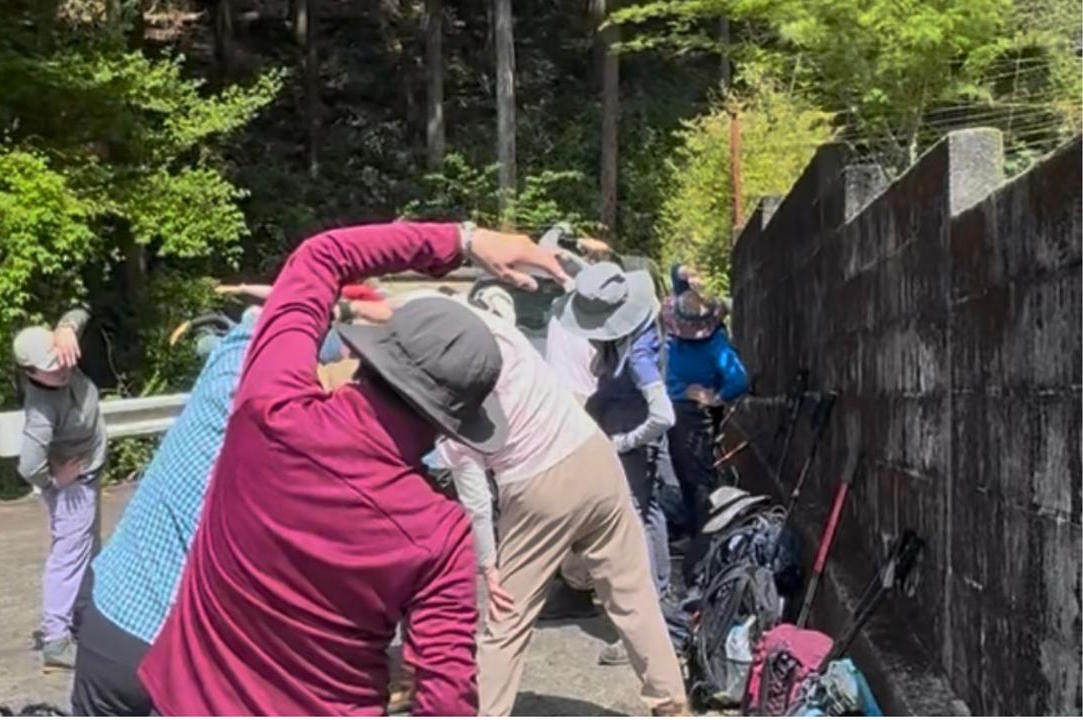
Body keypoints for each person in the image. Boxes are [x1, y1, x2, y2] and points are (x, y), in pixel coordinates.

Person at [136, 222, 567, 716]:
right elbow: (447, 699)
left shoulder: (269, 411)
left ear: (371, 357)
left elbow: (320, 256)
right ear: (452, 422)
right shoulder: (440, 534)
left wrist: (463, 240)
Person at [70, 299, 368, 715]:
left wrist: (328, 309)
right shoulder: (325, 465)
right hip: (194, 664)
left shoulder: (229, 377)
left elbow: (258, 324)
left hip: (116, 616)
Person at [434, 288, 689, 716]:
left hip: (535, 484)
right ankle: (672, 706)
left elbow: (476, 499)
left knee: (507, 615)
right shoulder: (507, 338)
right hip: (593, 453)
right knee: (634, 595)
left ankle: (484, 711)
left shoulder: (445, 395)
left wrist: (488, 565)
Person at [552, 261, 680, 665]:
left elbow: (663, 415)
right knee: (647, 517)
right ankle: (656, 610)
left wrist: (625, 441)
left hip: (632, 439)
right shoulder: (631, 334)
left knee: (636, 523)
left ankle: (647, 625)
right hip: (622, 431)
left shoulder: (640, 355)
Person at [12, 307, 105, 671]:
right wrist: (53, 481)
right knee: (68, 558)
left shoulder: (62, 357)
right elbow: (28, 464)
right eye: (51, 368)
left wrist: (66, 328)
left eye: (60, 360)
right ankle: (55, 638)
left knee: (86, 553)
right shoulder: (42, 408)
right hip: (72, 487)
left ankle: (82, 621)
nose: (62, 369)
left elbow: (81, 312)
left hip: (85, 478)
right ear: (31, 372)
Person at [660, 263, 749, 538]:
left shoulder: (714, 344)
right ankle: (695, 532)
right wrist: (684, 272)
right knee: (686, 475)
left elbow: (739, 379)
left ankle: (704, 539)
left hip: (693, 415)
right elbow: (678, 278)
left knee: (696, 479)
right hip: (679, 410)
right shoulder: (686, 320)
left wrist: (714, 398)